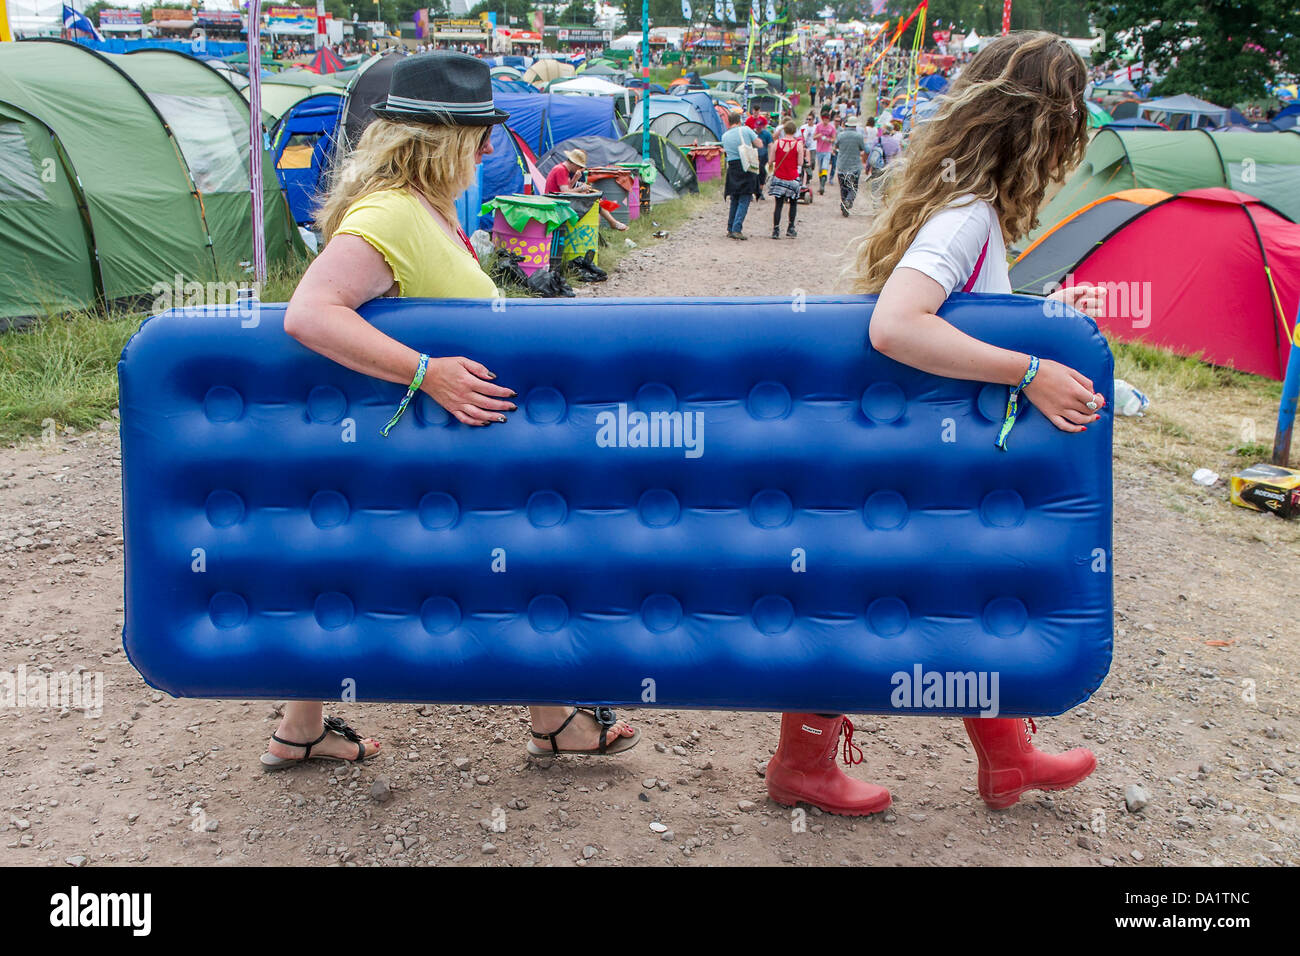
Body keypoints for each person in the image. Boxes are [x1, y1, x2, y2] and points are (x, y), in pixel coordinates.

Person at [765, 32, 1106, 816]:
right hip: (912, 465)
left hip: (922, 460)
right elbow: (896, 326)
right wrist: (1031, 372)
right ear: (1035, 129)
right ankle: (804, 766)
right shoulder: (965, 218)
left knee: (959, 592)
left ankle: (1007, 758)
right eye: (1068, 123)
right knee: (886, 599)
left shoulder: (967, 212)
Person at [270, 53, 640, 769]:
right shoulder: (392, 212)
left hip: (423, 448)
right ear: (442, 139)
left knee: (357, 571)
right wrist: (427, 373)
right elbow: (309, 314)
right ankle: (555, 721)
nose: (490, 148)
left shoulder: (418, 209)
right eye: (479, 134)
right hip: (424, 451)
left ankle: (300, 727)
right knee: (528, 558)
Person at [544, 147, 628, 232]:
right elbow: (565, 192)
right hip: (557, 202)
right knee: (592, 201)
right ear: (574, 164)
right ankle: (612, 223)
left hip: (559, 199)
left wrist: (575, 179)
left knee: (592, 200)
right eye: (579, 167)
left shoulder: (563, 169)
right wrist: (581, 188)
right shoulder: (561, 170)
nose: (579, 169)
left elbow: (566, 189)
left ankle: (611, 223)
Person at [721, 108, 760, 239]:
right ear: (739, 121)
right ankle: (737, 229)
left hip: (732, 168)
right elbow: (758, 144)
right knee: (745, 198)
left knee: (734, 198)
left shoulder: (724, 136)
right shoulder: (746, 130)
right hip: (745, 166)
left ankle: (730, 228)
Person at [766, 119, 804, 238]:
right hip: (792, 177)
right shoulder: (798, 145)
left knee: (778, 204)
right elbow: (800, 162)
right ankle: (790, 227)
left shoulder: (777, 143)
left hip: (779, 176)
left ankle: (776, 229)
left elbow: (771, 160)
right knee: (793, 203)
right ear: (794, 131)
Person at [834, 115, 867, 216]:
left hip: (842, 165)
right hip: (854, 166)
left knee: (843, 187)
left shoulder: (840, 135)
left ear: (847, 124)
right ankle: (848, 201)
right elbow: (863, 149)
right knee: (853, 187)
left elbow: (836, 146)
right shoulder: (859, 136)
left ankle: (845, 203)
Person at [813, 109, 836, 194]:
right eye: (824, 119)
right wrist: (818, 135)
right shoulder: (818, 126)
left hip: (827, 150)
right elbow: (814, 137)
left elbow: (834, 138)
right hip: (819, 149)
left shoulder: (831, 128)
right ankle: (820, 184)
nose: (825, 121)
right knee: (819, 169)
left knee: (825, 166)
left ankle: (823, 184)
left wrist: (829, 140)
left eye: (827, 119)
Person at [755, 119, 774, 199]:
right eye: (757, 127)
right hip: (754, 156)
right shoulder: (753, 133)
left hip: (763, 157)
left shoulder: (767, 134)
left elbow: (770, 146)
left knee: (762, 174)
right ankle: (754, 191)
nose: (758, 129)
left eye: (759, 127)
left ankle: (760, 191)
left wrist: (771, 158)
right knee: (754, 174)